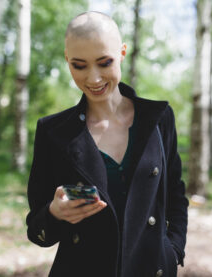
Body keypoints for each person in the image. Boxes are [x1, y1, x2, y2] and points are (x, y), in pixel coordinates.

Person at [26, 11, 188, 277]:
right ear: (67, 59)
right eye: (79, 65)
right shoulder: (53, 132)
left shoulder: (158, 120)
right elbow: (37, 231)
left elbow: (175, 197)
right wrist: (55, 213)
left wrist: (173, 251)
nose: (94, 78)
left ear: (122, 52)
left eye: (104, 62)